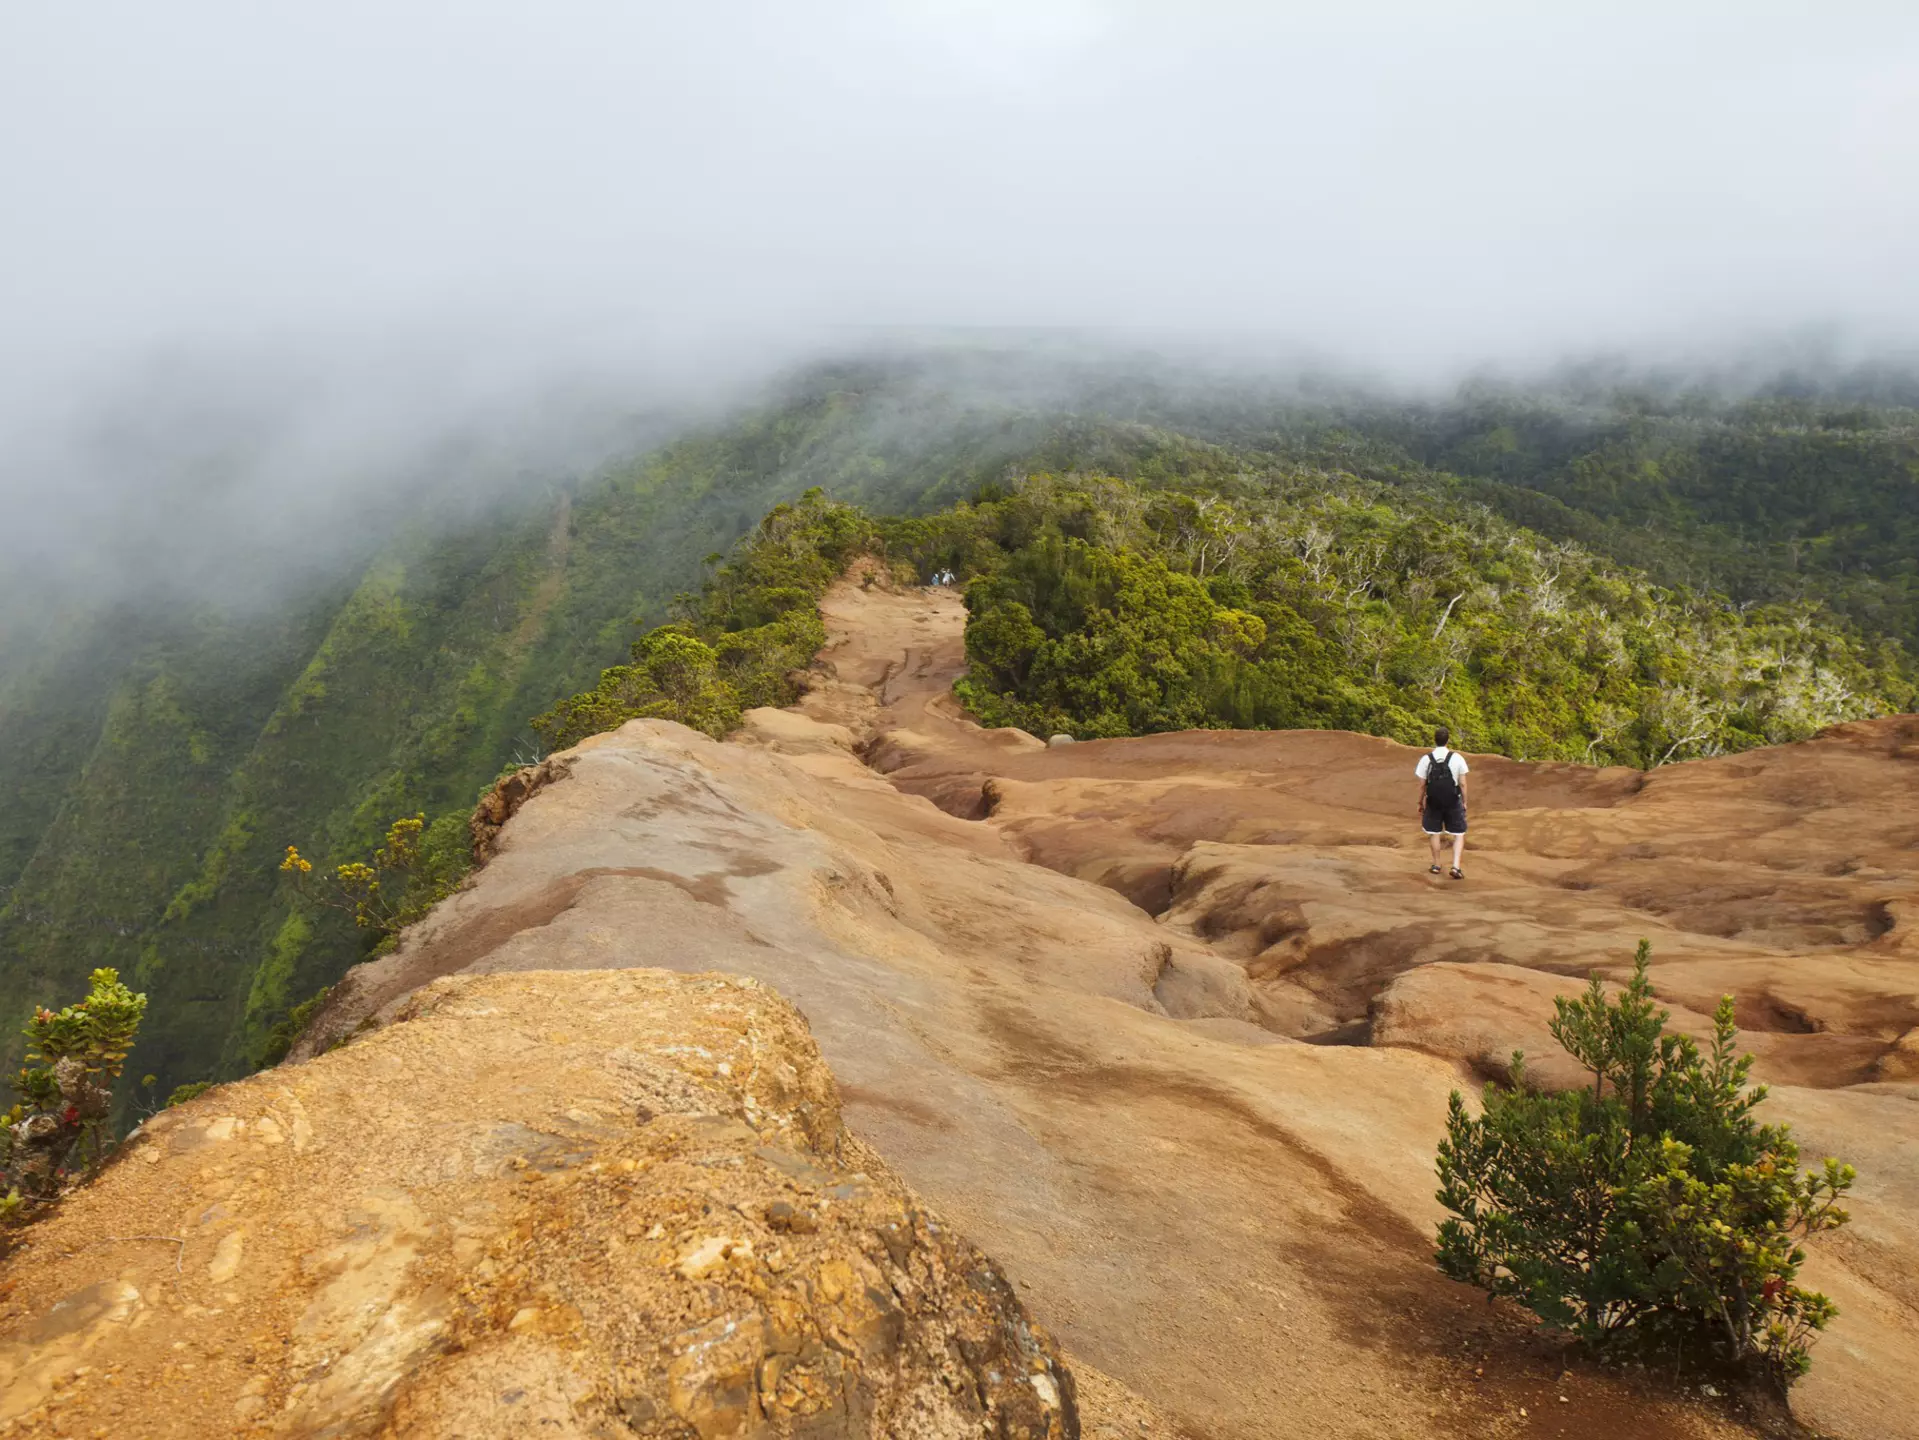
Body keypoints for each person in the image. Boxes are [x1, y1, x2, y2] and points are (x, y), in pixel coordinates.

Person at [1415, 725, 1469, 880]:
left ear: (1435, 740)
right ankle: (1456, 866)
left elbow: (1422, 785)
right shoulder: (1457, 758)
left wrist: (1420, 802)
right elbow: (1463, 783)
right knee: (1459, 834)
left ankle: (1437, 865)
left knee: (1434, 832)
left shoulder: (1426, 759)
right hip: (1453, 800)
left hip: (1433, 801)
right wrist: (1464, 801)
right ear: (1448, 740)